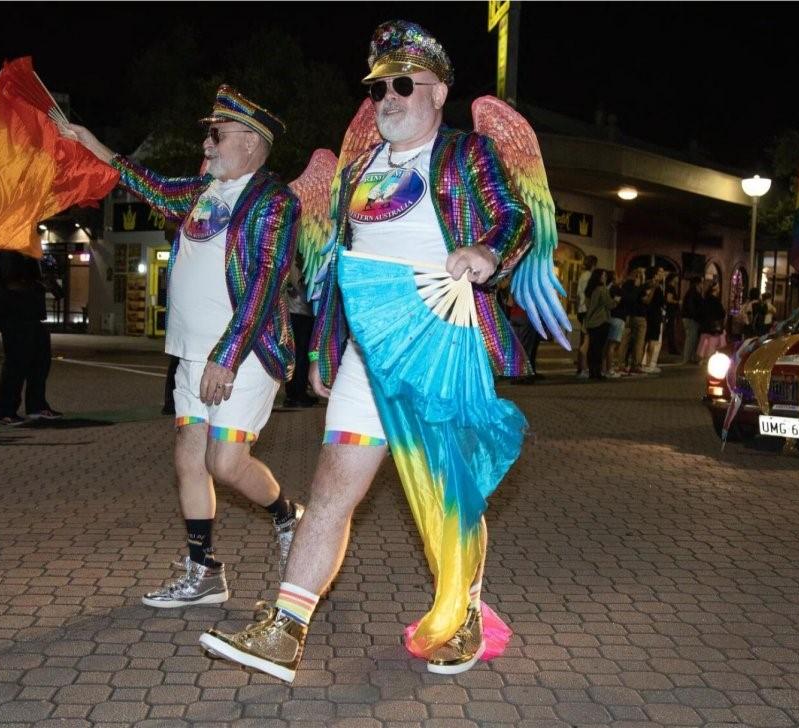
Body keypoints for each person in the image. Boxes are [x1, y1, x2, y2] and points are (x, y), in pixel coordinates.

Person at [199, 20, 536, 681]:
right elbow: (338, 269)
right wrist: (327, 351)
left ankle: (461, 611)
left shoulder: (466, 154)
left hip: (440, 344)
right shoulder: (358, 170)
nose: (389, 96)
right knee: (329, 491)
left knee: (447, 497)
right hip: (367, 355)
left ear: (439, 93)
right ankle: (285, 629)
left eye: (405, 84)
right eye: (380, 85)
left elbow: (512, 215)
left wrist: (487, 252)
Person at [58, 85, 305, 607]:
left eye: (216, 134)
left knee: (224, 462)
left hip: (244, 356)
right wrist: (90, 142)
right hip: (190, 356)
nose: (208, 144)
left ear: (250, 142)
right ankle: (204, 571)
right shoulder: (200, 192)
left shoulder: (274, 202)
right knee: (189, 461)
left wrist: (226, 353)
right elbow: (144, 181)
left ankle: (286, 514)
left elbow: (265, 279)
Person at [0, 251, 63, 426]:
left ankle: (37, 406)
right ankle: (6, 411)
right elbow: (9, 282)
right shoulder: (9, 251)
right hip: (15, 315)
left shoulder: (32, 253)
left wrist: (45, 279)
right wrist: (37, 282)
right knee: (16, 363)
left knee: (41, 361)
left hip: (33, 314)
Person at [282, 253, 316, 408]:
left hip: (293, 309)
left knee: (295, 353)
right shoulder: (301, 252)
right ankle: (298, 394)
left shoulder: (292, 248)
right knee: (300, 354)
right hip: (301, 309)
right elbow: (300, 283)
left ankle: (293, 393)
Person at [583, 269, 617, 379]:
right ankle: (597, 371)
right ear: (599, 277)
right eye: (603, 276)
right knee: (599, 348)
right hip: (601, 321)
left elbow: (588, 305)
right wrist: (616, 300)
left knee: (592, 347)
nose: (605, 278)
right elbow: (610, 304)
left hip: (591, 321)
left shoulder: (590, 290)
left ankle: (592, 371)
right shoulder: (602, 290)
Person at [573, 254, 598, 378]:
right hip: (587, 309)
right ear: (594, 264)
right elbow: (589, 295)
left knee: (583, 338)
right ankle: (584, 368)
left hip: (581, 309)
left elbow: (578, 295)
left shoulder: (582, 276)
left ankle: (580, 367)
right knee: (587, 340)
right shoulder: (590, 277)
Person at [640, 266, 667, 373]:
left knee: (646, 339)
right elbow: (653, 301)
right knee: (651, 340)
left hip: (649, 314)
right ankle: (648, 364)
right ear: (654, 274)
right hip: (653, 314)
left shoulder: (649, 285)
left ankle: (642, 363)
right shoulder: (653, 285)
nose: (662, 274)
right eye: (660, 272)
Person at [696, 280, 727, 363]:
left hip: (705, 325)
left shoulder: (705, 299)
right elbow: (722, 313)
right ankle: (709, 359)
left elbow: (700, 312)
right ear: (715, 289)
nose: (719, 289)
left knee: (704, 343)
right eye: (718, 287)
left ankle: (702, 359)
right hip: (714, 326)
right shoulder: (716, 301)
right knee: (712, 344)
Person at [680, 277, 705, 364]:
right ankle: (687, 358)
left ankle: (690, 357)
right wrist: (695, 316)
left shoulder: (693, 292)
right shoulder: (693, 293)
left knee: (692, 339)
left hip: (690, 318)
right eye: (701, 283)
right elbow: (692, 307)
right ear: (698, 284)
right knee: (691, 338)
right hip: (691, 318)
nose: (703, 285)